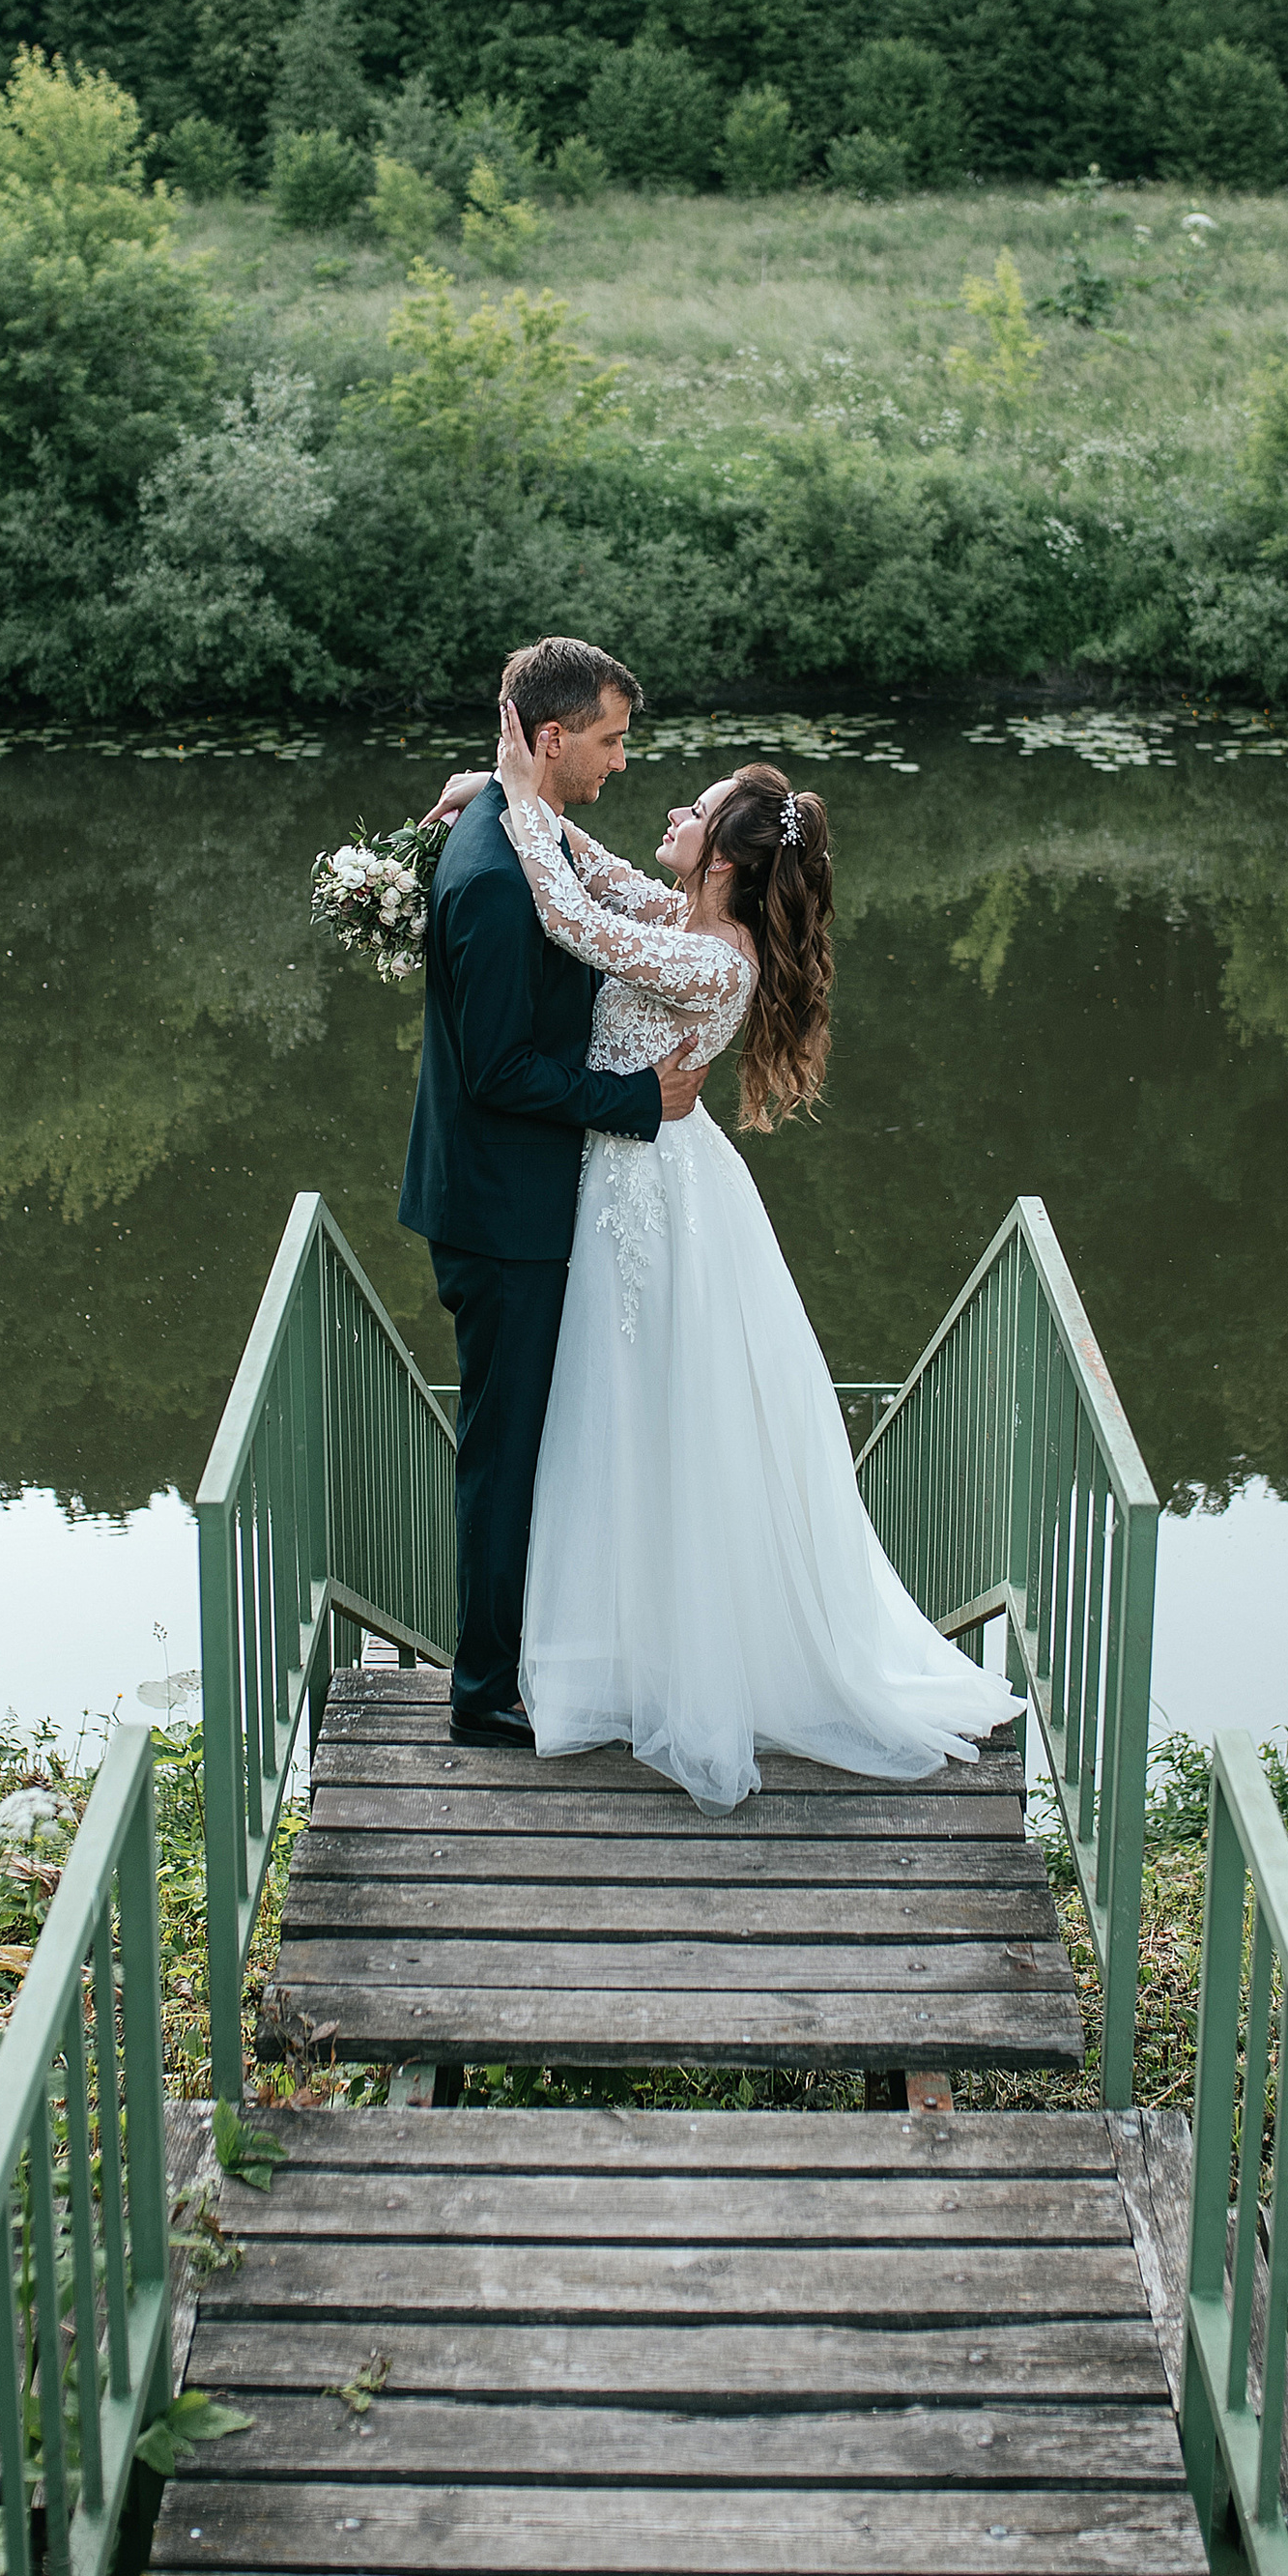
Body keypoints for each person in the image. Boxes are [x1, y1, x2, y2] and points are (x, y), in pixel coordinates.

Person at [420, 697, 1021, 1815]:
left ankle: (672, 1658)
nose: (668, 812)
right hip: (627, 1183)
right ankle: (624, 1645)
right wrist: (499, 795)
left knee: (653, 1420)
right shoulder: (687, 919)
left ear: (727, 861)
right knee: (623, 1419)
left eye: (691, 812)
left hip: (653, 1197)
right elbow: (600, 875)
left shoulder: (713, 960)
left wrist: (518, 799)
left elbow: (573, 918)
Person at [397, 638, 710, 1746]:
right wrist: (635, 1100)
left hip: (519, 1199)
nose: (622, 761)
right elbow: (497, 1070)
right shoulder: (492, 879)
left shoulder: (517, 828)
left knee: (530, 1443)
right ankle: (484, 1694)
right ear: (550, 735)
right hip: (501, 1216)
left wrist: (489, 783)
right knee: (505, 1453)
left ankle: (527, 1657)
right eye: (611, 740)